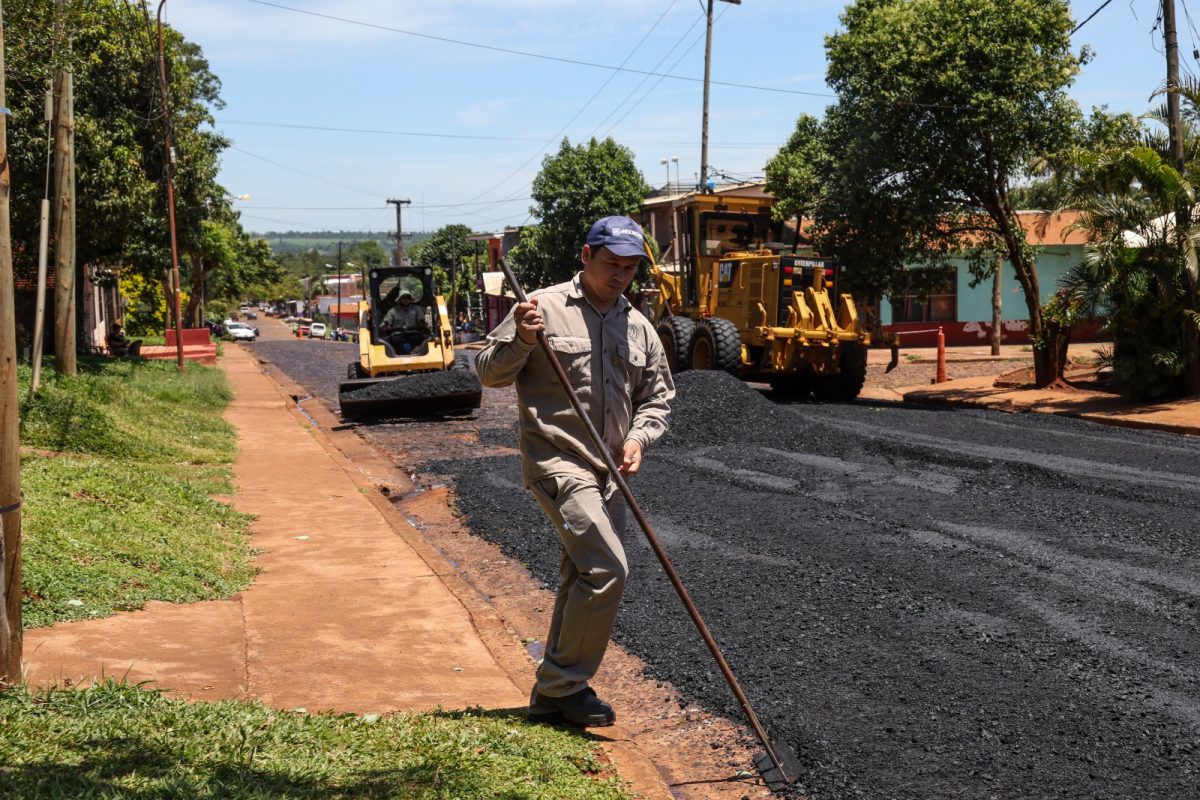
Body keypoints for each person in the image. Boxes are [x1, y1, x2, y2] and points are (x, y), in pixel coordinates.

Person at [475, 216, 674, 728]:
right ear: (586, 256)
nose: (620, 276)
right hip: (558, 462)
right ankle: (566, 686)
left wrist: (638, 438)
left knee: (581, 573)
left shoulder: (639, 326)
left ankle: (551, 697)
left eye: (630, 268)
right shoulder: (540, 309)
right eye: (611, 264)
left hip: (611, 474)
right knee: (607, 568)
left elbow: (657, 398)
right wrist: (521, 339)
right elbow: (488, 373)